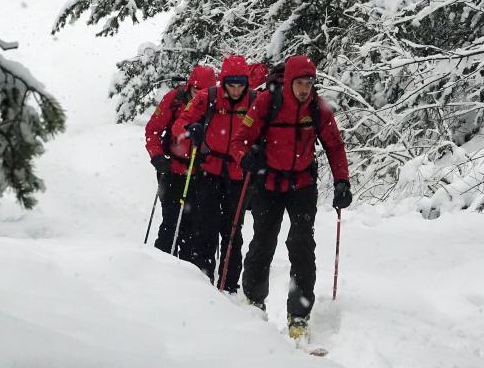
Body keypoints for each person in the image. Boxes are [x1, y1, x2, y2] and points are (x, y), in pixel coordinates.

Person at [229, 55, 352, 339]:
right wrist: (246, 158)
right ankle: (254, 302)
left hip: (302, 186)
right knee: (263, 242)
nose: (304, 89)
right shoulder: (265, 103)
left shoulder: (318, 109)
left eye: (309, 83)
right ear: (288, 82)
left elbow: (334, 146)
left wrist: (342, 181)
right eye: (299, 83)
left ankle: (299, 315)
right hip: (268, 184)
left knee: (301, 246)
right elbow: (240, 140)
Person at [172, 55, 256, 291]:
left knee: (232, 233)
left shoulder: (254, 102)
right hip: (208, 172)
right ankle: (202, 284)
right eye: (232, 84)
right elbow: (181, 122)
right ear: (223, 82)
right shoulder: (207, 98)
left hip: (238, 175)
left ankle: (228, 286)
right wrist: (191, 128)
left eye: (241, 85)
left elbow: (265, 130)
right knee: (204, 227)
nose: (236, 90)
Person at [144, 65, 217, 259]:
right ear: (189, 86)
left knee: (193, 225)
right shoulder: (174, 99)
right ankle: (161, 263)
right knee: (171, 219)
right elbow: (153, 129)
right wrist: (157, 156)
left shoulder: (213, 104)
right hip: (171, 168)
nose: (198, 97)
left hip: (200, 172)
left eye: (203, 92)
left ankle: (187, 272)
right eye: (195, 91)